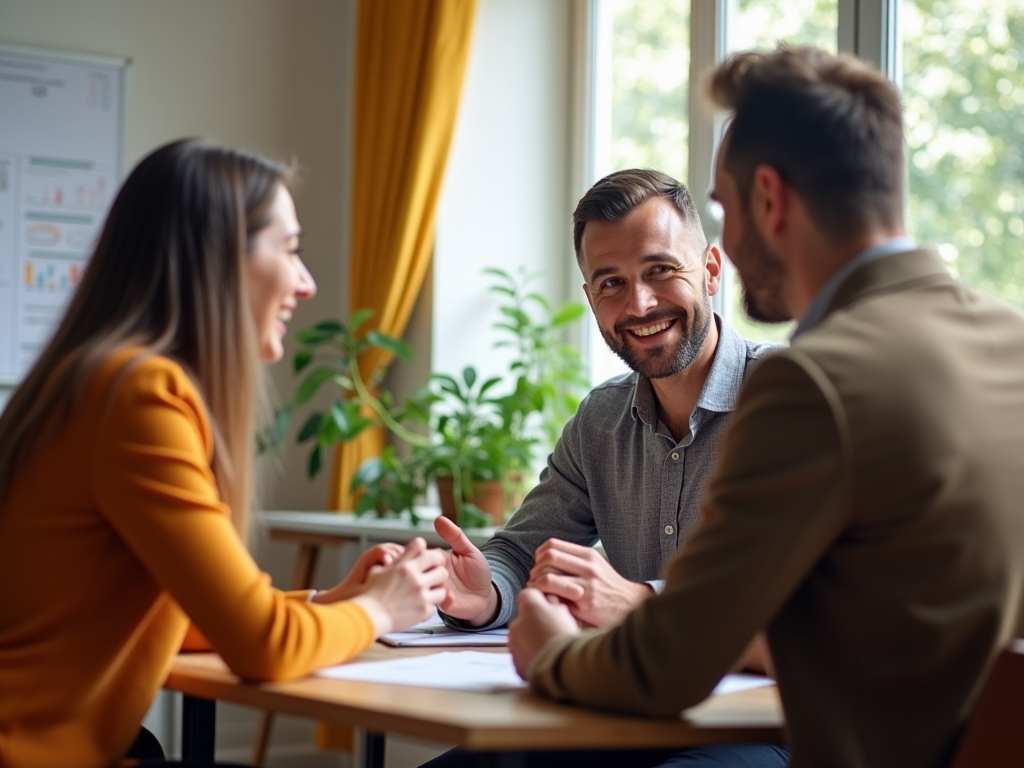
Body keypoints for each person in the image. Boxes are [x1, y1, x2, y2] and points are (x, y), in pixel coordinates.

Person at [508, 45, 1024, 768]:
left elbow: (665, 665)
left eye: (722, 206)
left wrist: (550, 652)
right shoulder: (1010, 342)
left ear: (771, 200)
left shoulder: (814, 383)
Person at [0, 139, 449, 768]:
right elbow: (261, 647)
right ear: (218, 260)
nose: (306, 283)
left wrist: (330, 604)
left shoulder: (96, 378)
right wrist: (380, 609)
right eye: (289, 250)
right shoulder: (140, 395)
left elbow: (176, 620)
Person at [425, 170, 787, 766]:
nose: (639, 303)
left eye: (661, 270)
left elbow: (810, 606)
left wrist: (641, 602)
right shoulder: (601, 417)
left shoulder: (788, 398)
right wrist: (483, 593)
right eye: (611, 282)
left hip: (765, 728)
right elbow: (519, 552)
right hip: (627, 711)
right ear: (590, 299)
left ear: (712, 271)